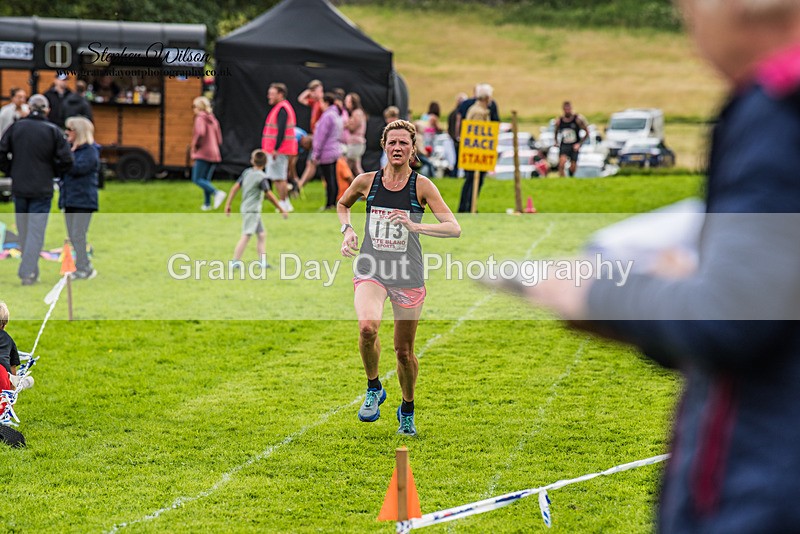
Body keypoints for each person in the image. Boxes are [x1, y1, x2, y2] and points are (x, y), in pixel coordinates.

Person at [517, 0, 800, 531]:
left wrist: (592, 292)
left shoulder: (780, 107)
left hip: (767, 492)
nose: (685, 17)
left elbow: (733, 319)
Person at [337, 119, 461, 436]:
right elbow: (343, 203)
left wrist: (416, 226)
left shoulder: (422, 186)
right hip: (371, 268)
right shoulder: (367, 181)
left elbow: (453, 228)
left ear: (412, 148)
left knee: (403, 352)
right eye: (392, 142)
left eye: (403, 143)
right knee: (367, 328)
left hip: (407, 274)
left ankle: (407, 408)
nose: (397, 148)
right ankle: (374, 387)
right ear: (384, 145)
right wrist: (347, 229)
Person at [0, 94, 73, 286]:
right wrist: (53, 171)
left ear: (28, 107)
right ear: (47, 110)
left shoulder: (16, 127)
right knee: (35, 231)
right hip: (42, 188)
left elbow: (1, 151)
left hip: (20, 187)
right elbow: (67, 159)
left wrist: (10, 169)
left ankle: (31, 271)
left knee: (24, 231)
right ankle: (27, 272)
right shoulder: (53, 131)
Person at [224, 149, 287, 270]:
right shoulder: (262, 177)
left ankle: (262, 263)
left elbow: (234, 189)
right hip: (252, 211)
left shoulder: (247, 173)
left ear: (252, 161)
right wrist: (281, 209)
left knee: (262, 235)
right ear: (266, 162)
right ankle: (234, 262)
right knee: (246, 235)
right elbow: (269, 195)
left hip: (248, 209)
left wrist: (228, 204)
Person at [59, 116, 100, 280]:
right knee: (73, 235)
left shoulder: (90, 151)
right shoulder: (70, 150)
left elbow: (77, 168)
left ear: (79, 132)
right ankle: (82, 265)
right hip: (69, 199)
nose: (67, 132)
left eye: (70, 129)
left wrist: (64, 159)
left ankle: (85, 268)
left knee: (78, 234)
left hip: (84, 200)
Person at [458, 84, 497, 213]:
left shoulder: (475, 109)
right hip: (475, 154)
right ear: (486, 97)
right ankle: (468, 207)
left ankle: (468, 206)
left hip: (472, 154)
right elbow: (479, 135)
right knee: (473, 180)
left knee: (471, 180)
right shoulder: (478, 112)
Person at [261, 82, 298, 214]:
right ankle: (286, 202)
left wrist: (275, 148)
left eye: (272, 94)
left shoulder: (282, 108)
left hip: (279, 150)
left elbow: (281, 130)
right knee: (279, 176)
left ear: (280, 94)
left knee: (278, 178)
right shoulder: (282, 107)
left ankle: (282, 203)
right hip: (279, 149)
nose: (269, 96)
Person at [190, 96, 226, 211]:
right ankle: (207, 204)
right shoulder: (213, 119)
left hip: (203, 152)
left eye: (194, 106)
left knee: (197, 179)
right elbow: (219, 139)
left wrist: (195, 145)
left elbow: (200, 133)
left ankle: (217, 193)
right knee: (205, 180)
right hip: (214, 152)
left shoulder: (200, 118)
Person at [310, 93, 343, 210]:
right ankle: (333, 202)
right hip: (334, 150)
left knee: (329, 179)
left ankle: (329, 204)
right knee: (333, 178)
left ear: (326, 103)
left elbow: (320, 136)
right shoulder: (336, 115)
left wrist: (316, 153)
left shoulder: (327, 116)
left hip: (326, 152)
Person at [555, 101, 589, 177]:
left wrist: (579, 144)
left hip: (574, 145)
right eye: (565, 109)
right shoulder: (560, 121)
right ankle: (562, 180)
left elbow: (587, 132)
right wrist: (556, 142)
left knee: (573, 167)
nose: (567, 111)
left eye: (569, 109)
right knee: (561, 163)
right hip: (564, 144)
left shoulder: (577, 119)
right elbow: (556, 132)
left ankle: (571, 177)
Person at [343, 92, 367, 176]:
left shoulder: (357, 113)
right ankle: (364, 186)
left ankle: (349, 185)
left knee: (347, 166)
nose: (346, 103)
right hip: (356, 144)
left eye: (348, 101)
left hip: (355, 144)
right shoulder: (357, 113)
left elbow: (353, 128)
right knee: (356, 168)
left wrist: (346, 124)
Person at [0, 302, 20, 393]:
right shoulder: (9, 340)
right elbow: (13, 367)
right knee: (3, 404)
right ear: (4, 324)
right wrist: (12, 392)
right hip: (2, 374)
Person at [446, 93, 467, 177]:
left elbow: (449, 127)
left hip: (455, 139)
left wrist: (453, 137)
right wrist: (457, 136)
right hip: (460, 138)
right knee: (461, 158)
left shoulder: (452, 113)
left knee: (457, 158)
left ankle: (455, 174)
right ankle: (462, 174)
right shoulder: (462, 113)